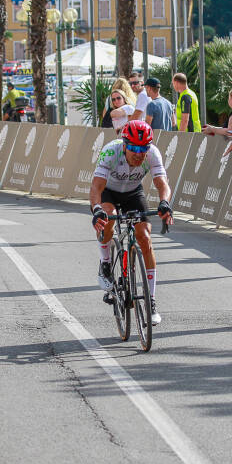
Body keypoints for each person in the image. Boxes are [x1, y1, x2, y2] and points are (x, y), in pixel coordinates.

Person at [91, 120, 173, 325]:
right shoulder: (111, 152)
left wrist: (164, 202)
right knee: (108, 219)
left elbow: (162, 183)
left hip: (133, 192)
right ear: (125, 145)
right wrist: (97, 209)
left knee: (144, 237)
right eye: (134, 148)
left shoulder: (152, 154)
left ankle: (151, 301)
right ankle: (106, 263)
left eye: (143, 148)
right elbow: (96, 187)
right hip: (109, 192)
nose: (139, 154)